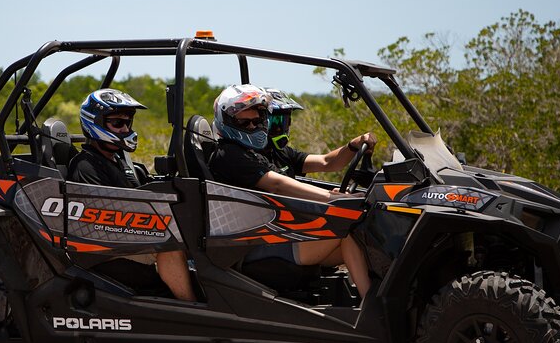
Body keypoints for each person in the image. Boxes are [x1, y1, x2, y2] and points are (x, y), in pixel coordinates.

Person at [209, 84, 375, 298]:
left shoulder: (260, 150)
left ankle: (377, 296)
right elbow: (276, 185)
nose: (252, 127)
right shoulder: (229, 154)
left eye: (256, 121)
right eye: (244, 122)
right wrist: (332, 198)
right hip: (256, 244)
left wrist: (353, 145)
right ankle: (370, 306)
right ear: (229, 122)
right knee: (345, 227)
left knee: (364, 238)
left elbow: (325, 162)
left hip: (280, 232)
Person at [68, 88, 196, 302]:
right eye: (117, 123)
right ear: (96, 122)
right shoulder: (86, 166)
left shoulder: (121, 161)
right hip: (105, 250)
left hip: (130, 237)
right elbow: (99, 219)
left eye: (128, 123)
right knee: (170, 247)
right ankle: (193, 308)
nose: (125, 128)